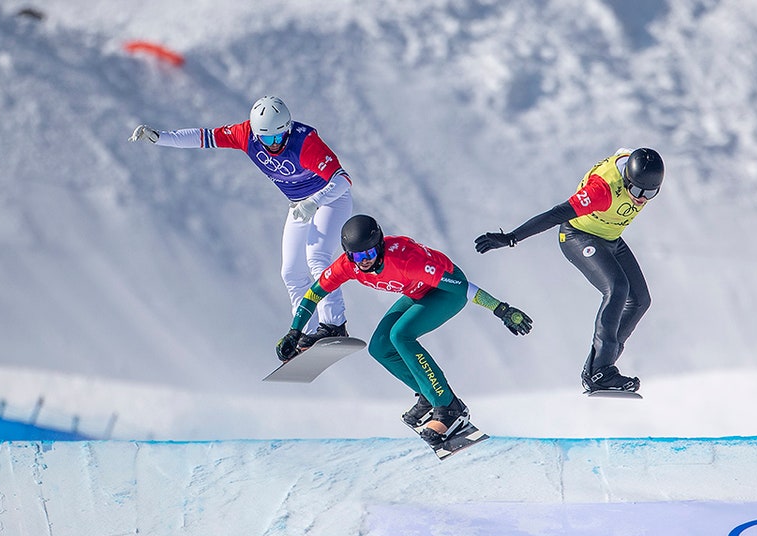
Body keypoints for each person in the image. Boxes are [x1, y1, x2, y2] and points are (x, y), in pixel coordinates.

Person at [276, 214, 533, 449]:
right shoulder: (348, 265)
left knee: (400, 335)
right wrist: (294, 331)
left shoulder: (405, 260)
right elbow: (313, 294)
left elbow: (462, 287)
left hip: (446, 293)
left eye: (368, 253)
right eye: (356, 256)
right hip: (418, 292)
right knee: (379, 347)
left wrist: (501, 309)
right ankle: (428, 395)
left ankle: (449, 407)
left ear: (379, 246)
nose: (363, 261)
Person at [129, 95, 353, 348]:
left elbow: (343, 180)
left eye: (280, 136)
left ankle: (334, 324)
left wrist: (315, 201)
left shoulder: (305, 143)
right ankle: (307, 333)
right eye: (268, 139)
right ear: (257, 134)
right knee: (290, 272)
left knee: (316, 257)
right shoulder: (245, 134)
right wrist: (161, 138)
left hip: (331, 201)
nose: (275, 144)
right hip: (300, 206)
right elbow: (203, 137)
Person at [474, 147, 664, 394]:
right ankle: (601, 370)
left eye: (650, 193)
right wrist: (512, 237)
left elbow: (624, 152)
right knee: (617, 289)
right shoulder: (601, 191)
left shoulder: (636, 166)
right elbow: (556, 214)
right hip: (578, 237)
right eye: (637, 190)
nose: (641, 198)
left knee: (639, 301)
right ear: (627, 178)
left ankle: (598, 369)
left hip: (610, 238)